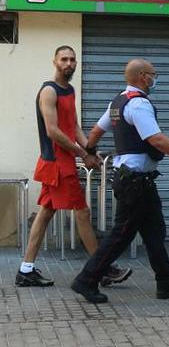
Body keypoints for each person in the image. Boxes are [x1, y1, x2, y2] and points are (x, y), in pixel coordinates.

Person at [70, 58, 169, 303]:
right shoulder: (139, 104)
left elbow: (95, 131)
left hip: (138, 181)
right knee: (121, 235)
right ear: (144, 76)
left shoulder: (118, 102)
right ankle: (86, 279)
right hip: (135, 182)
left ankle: (167, 282)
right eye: (153, 74)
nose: (155, 79)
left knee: (154, 232)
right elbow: (157, 140)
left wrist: (90, 151)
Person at [16, 46, 132, 288]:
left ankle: (25, 270)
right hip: (57, 165)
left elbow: (74, 126)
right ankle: (101, 269)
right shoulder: (49, 91)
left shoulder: (69, 90)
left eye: (72, 59)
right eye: (64, 59)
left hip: (62, 161)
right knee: (83, 212)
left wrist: (89, 150)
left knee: (46, 213)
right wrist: (82, 154)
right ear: (55, 62)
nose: (69, 63)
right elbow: (53, 131)